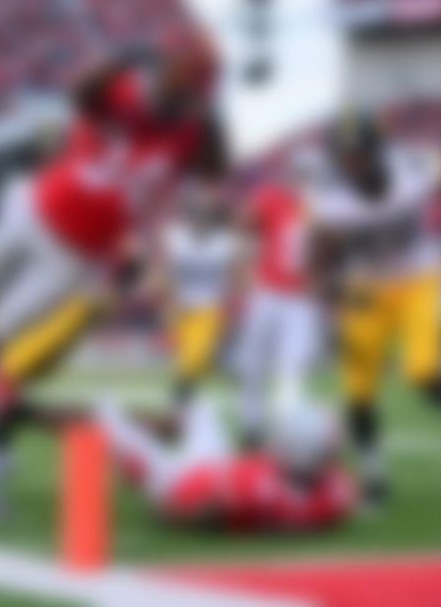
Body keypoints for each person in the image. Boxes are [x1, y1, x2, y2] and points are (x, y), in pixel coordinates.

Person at [0, 37, 230, 503]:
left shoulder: (191, 132)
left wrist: (210, 121)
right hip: (37, 207)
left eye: (198, 86)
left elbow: (218, 168)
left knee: (0, 337)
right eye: (186, 78)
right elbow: (79, 93)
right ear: (168, 65)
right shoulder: (125, 87)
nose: (188, 92)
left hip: (78, 255)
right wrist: (120, 60)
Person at [304, 112, 441, 509]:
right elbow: (319, 260)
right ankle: (375, 481)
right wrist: (330, 300)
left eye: (357, 154)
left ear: (378, 149)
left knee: (421, 370)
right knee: (358, 389)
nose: (350, 164)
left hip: (420, 280)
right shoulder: (329, 197)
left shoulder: (414, 166)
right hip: (364, 288)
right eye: (343, 157)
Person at [94, 395, 354, 532]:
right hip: (215, 465)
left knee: (106, 417)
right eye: (329, 452)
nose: (333, 459)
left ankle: (139, 447)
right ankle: (153, 431)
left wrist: (167, 514)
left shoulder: (257, 493)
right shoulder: (336, 493)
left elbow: (198, 515)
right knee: (201, 407)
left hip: (177, 483)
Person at [228, 173, 322, 448]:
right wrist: (244, 264)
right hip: (267, 293)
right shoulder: (271, 196)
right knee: (252, 367)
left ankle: (288, 436)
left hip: (301, 300)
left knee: (291, 370)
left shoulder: (322, 204)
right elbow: (243, 223)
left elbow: (333, 248)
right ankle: (251, 430)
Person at [151, 180, 244, 408]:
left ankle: (179, 396)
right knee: (187, 358)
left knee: (197, 355)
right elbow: (164, 270)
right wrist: (164, 299)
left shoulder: (227, 242)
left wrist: (237, 303)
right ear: (188, 215)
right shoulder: (174, 237)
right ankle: (191, 393)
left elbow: (236, 276)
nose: (200, 218)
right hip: (180, 307)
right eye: (196, 213)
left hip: (209, 307)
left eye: (205, 214)